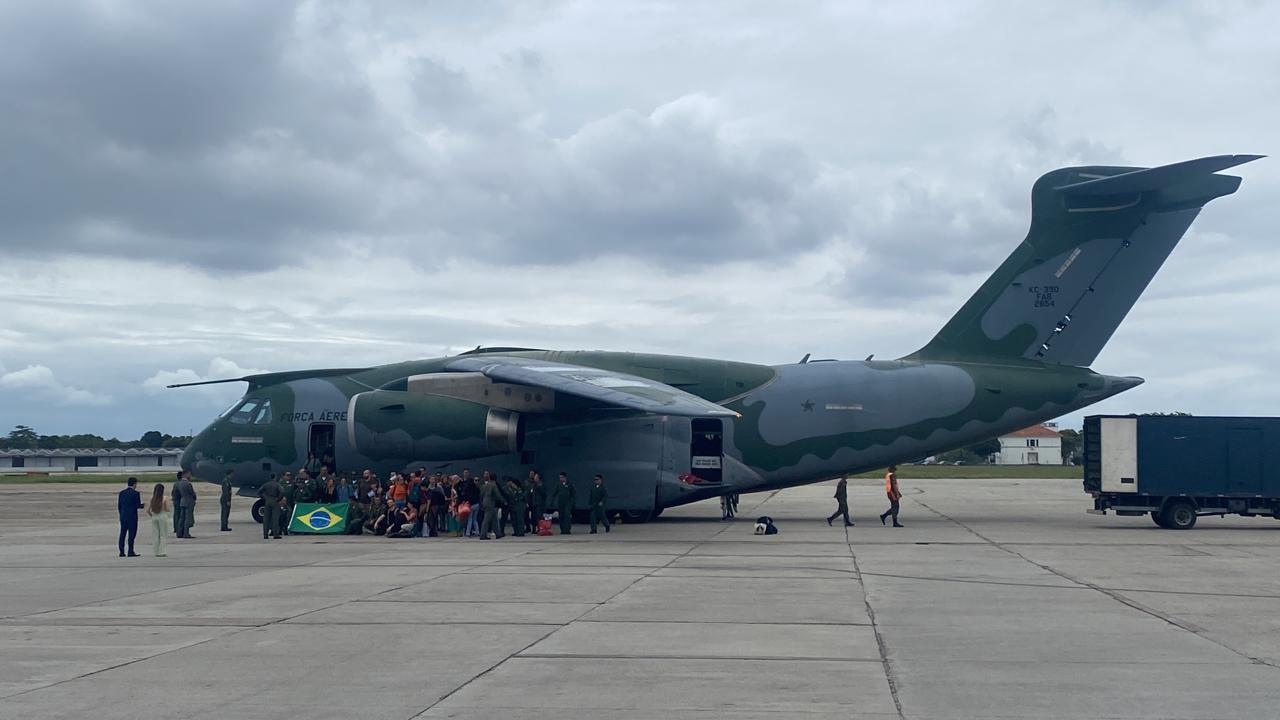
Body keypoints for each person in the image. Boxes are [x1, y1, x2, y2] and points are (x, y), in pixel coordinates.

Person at [117, 476, 144, 557]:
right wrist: (144, 505)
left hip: (123, 516)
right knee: (131, 535)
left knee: (122, 534)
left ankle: (121, 551)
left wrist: (121, 514)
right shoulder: (136, 493)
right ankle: (130, 551)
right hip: (132, 517)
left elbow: (119, 506)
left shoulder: (121, 493)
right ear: (135, 484)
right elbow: (137, 505)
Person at [479, 471, 507, 539]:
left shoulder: (484, 485)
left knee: (494, 519)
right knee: (486, 520)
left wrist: (481, 503)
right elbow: (497, 494)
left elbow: (481, 495)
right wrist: (503, 501)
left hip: (485, 502)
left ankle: (498, 533)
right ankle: (483, 535)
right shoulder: (493, 485)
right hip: (490, 504)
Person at [146, 483, 171, 557]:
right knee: (163, 535)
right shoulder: (165, 498)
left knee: (155, 535)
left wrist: (152, 516)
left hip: (154, 517)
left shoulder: (152, 498)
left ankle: (156, 551)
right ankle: (162, 551)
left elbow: (148, 510)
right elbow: (167, 509)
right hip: (162, 516)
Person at [258, 474, 283, 539]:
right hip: (275, 500)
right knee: (275, 518)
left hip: (267, 501)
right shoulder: (277, 484)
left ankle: (265, 535)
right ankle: (275, 534)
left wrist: (264, 497)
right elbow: (282, 491)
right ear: (275, 477)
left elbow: (259, 492)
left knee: (266, 519)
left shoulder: (266, 484)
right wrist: (279, 499)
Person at [175, 471, 198, 538]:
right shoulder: (188, 483)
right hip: (189, 502)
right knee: (188, 518)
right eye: (189, 474)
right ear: (185, 475)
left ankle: (179, 533)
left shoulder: (179, 483)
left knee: (182, 518)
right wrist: (194, 498)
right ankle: (186, 533)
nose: (190, 476)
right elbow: (192, 493)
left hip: (182, 501)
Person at [170, 471, 182, 535]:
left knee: (176, 515)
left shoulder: (176, 484)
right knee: (178, 515)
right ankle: (177, 528)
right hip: (178, 501)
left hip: (176, 500)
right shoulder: (179, 484)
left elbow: (173, 493)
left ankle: (176, 527)